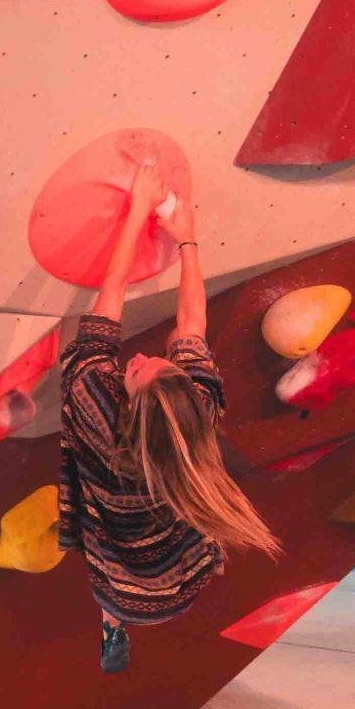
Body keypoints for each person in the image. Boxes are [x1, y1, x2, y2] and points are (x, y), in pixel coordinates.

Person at [59, 167, 279, 672]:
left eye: (136, 371)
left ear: (129, 407)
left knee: (114, 598)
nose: (136, 359)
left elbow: (104, 314)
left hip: (128, 567)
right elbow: (191, 325)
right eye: (156, 361)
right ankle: (116, 624)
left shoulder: (98, 406)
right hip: (177, 574)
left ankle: (113, 627)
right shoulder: (193, 404)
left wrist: (137, 211)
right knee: (122, 591)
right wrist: (187, 239)